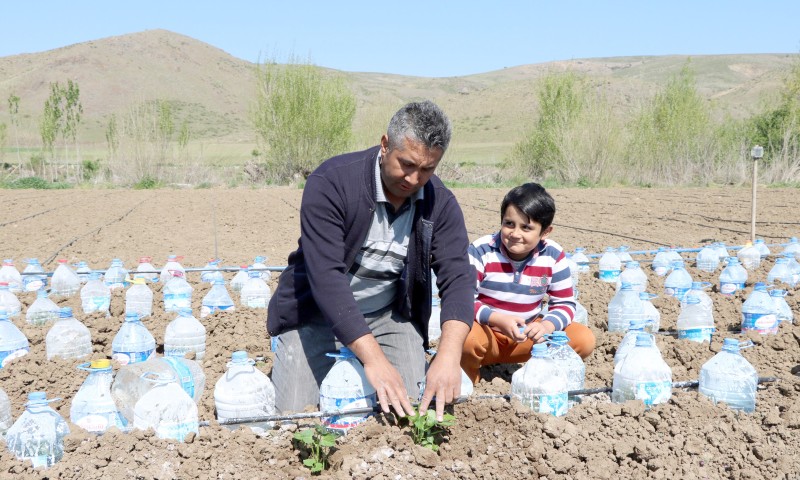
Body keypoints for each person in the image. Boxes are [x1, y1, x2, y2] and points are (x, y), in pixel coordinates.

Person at [268, 100, 475, 420]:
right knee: (298, 417)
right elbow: (326, 279)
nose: (414, 178)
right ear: (384, 145)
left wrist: (449, 355)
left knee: (409, 413)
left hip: (387, 313)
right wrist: (374, 361)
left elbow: (458, 275)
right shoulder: (332, 183)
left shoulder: (440, 203)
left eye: (427, 169)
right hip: (316, 310)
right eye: (406, 164)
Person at [461, 182, 596, 384]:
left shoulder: (553, 255)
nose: (515, 234)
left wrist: (548, 326)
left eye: (526, 228)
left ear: (545, 232)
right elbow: (463, 300)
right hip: (487, 335)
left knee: (583, 339)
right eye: (509, 224)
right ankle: (468, 382)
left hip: (529, 339)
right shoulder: (481, 251)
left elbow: (565, 303)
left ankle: (545, 378)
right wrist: (498, 319)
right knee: (465, 336)